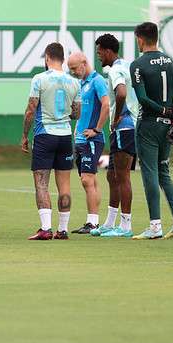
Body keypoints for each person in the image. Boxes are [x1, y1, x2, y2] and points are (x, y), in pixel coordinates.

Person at [129, 22, 173, 240]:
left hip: (149, 125)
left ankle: (155, 226)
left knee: (150, 173)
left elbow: (143, 98)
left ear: (140, 39)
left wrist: (162, 109)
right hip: (167, 127)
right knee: (164, 172)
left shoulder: (138, 64)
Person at [21, 42, 81, 241]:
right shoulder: (74, 82)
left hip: (44, 135)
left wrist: (24, 136)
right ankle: (62, 230)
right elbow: (76, 113)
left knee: (42, 184)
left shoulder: (39, 79)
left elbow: (31, 109)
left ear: (47, 58)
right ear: (63, 59)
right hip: (65, 136)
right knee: (64, 185)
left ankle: (46, 229)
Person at [94, 33, 139, 238]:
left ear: (107, 50)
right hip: (128, 128)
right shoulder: (127, 66)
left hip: (124, 128)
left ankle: (126, 226)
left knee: (122, 177)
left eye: (99, 52)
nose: (98, 56)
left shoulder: (116, 70)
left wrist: (117, 117)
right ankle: (110, 222)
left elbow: (121, 93)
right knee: (112, 175)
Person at [68, 51, 110, 234]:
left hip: (92, 139)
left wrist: (97, 129)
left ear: (84, 63)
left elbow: (106, 105)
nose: (73, 72)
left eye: (74, 68)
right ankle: (92, 221)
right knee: (89, 179)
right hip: (80, 139)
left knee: (87, 179)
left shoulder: (97, 81)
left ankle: (93, 223)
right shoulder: (81, 84)